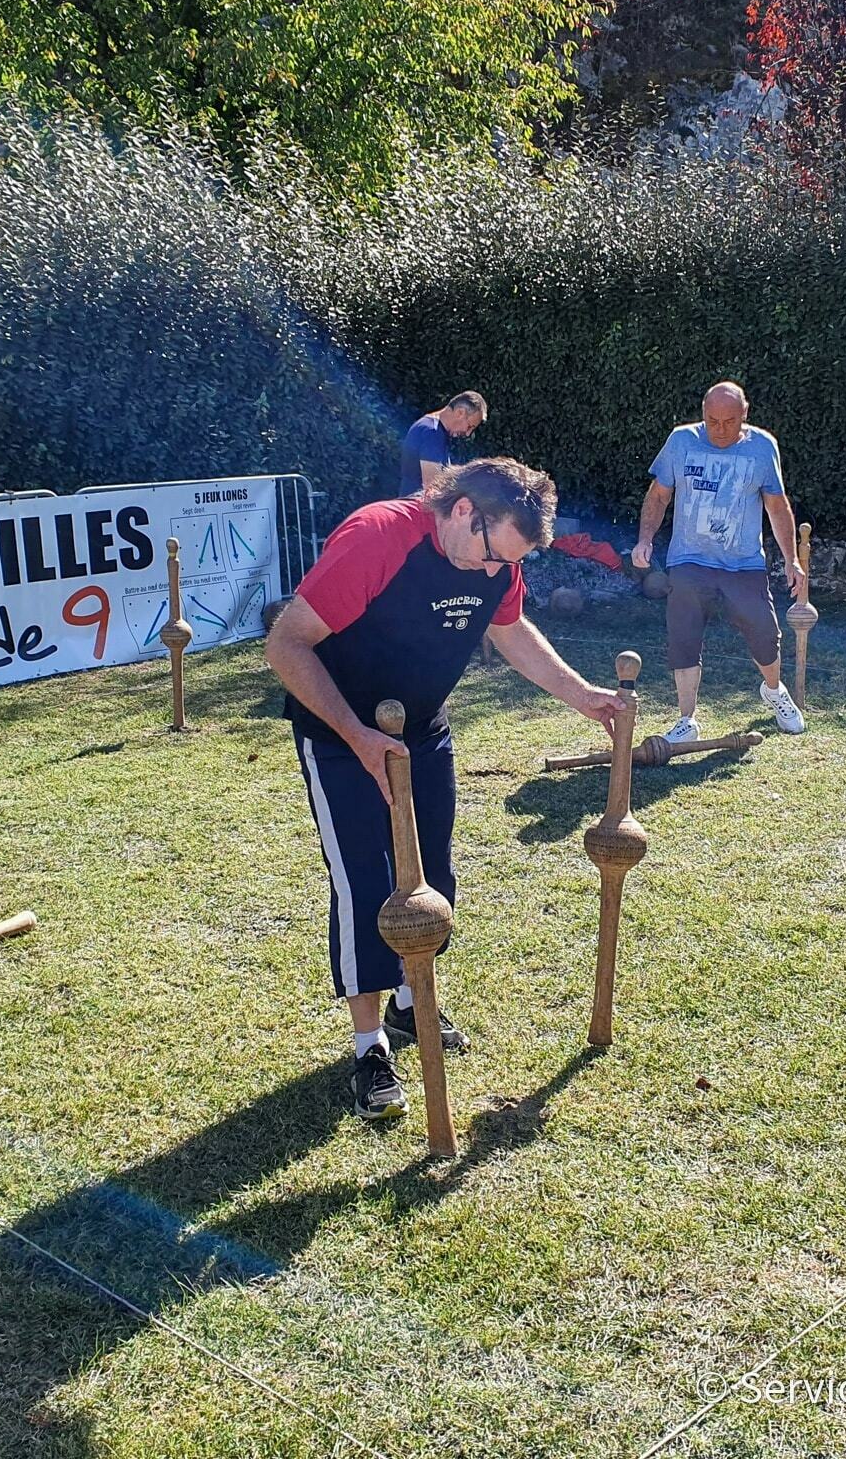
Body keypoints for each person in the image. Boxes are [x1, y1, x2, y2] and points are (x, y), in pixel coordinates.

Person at [265, 457, 621, 1121]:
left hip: (422, 733)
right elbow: (286, 645)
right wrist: (356, 735)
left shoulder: (497, 555)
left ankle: (410, 1002)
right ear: (464, 511)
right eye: (493, 556)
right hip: (340, 733)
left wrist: (582, 696)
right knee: (365, 886)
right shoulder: (376, 539)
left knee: (435, 879)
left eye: (507, 565)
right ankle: (368, 1046)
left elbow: (511, 632)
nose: (495, 573)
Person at [629, 381, 807, 740]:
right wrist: (644, 540)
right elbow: (659, 495)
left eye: (730, 421)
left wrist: (791, 559)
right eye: (713, 421)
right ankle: (686, 720)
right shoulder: (681, 441)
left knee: (764, 633)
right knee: (684, 636)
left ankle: (773, 690)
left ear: (745, 414)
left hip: (743, 563)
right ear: (703, 414)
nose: (721, 430)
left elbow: (776, 504)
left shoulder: (762, 447)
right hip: (689, 558)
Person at [398, 392, 487, 496]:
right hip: (414, 509)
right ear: (460, 413)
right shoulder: (432, 432)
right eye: (469, 426)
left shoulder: (433, 429)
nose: (468, 434)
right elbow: (432, 486)